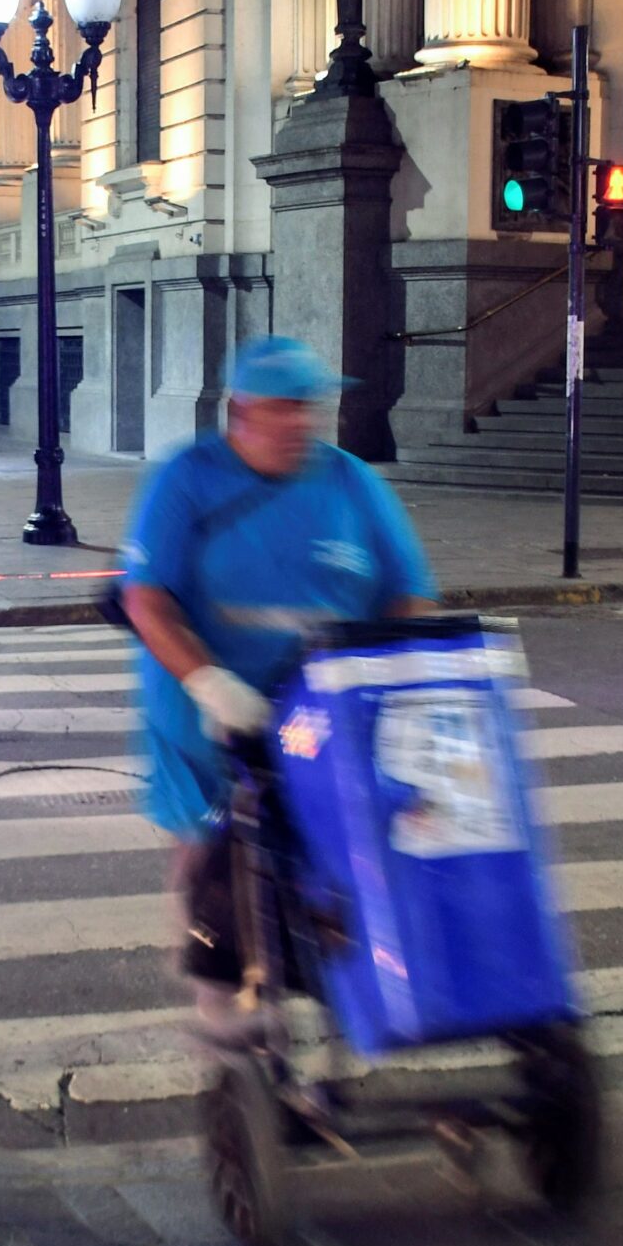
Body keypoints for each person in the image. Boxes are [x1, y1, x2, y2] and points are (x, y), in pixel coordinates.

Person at [121, 338, 440, 1034]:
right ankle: (238, 1062)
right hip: (210, 728)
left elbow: (409, 595)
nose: (302, 422)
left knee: (329, 874)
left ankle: (328, 1008)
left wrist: (393, 676)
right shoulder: (188, 479)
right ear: (240, 411)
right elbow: (146, 598)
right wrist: (210, 683)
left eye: (310, 406)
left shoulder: (352, 482)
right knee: (222, 893)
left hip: (323, 725)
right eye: (284, 407)